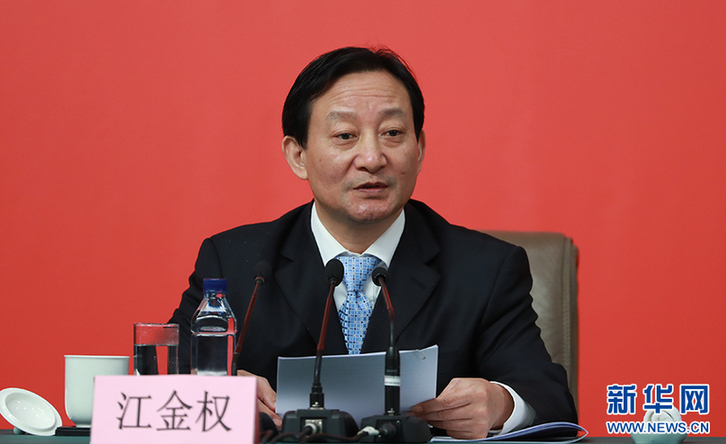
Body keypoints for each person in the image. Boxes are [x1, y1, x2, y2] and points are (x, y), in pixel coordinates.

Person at [169, 46, 577, 439]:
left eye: (392, 133)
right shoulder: (236, 264)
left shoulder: (484, 269)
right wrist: (217, 394)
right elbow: (160, 386)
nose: (372, 157)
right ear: (298, 156)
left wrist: (502, 404)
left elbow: (550, 399)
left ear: (419, 148)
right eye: (345, 135)